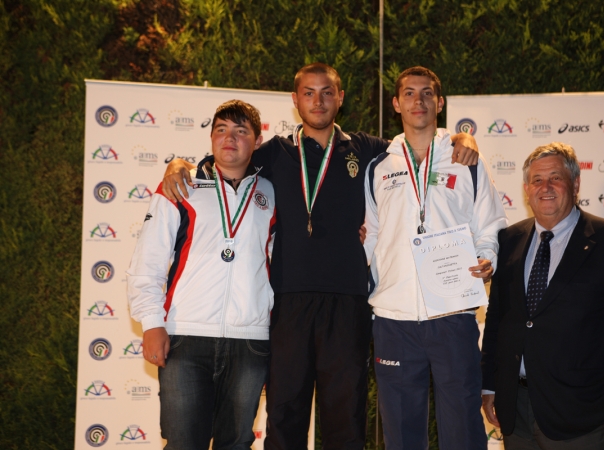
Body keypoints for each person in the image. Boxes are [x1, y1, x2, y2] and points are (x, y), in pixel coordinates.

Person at [160, 63, 480, 449]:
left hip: (348, 304)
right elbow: (230, 159)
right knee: (285, 414)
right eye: (309, 93)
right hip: (289, 304)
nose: (318, 100)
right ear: (295, 101)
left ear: (340, 98)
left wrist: (462, 137)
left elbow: (418, 143)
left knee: (345, 419)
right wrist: (183, 165)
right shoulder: (276, 152)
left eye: (327, 91)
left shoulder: (369, 151)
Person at [363, 66, 508, 450]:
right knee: (402, 433)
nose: (418, 101)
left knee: (462, 428)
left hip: (452, 314)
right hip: (393, 319)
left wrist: (486, 256)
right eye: (409, 93)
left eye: (427, 93)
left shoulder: (466, 160)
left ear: (440, 102)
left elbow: (490, 221)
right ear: (396, 104)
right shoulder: (380, 166)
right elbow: (372, 233)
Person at [127, 100, 276, 450]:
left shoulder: (271, 193)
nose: (230, 138)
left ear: (256, 142)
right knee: (183, 443)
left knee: (237, 442)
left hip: (250, 341)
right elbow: (147, 261)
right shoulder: (180, 187)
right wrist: (151, 323)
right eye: (221, 129)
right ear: (211, 138)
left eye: (241, 131)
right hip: (185, 338)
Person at [481, 142, 604, 450]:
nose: (545, 187)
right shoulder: (508, 241)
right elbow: (497, 322)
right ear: (526, 188)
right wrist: (490, 385)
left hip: (582, 415)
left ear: (574, 183)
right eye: (537, 180)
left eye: (555, 177)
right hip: (515, 412)